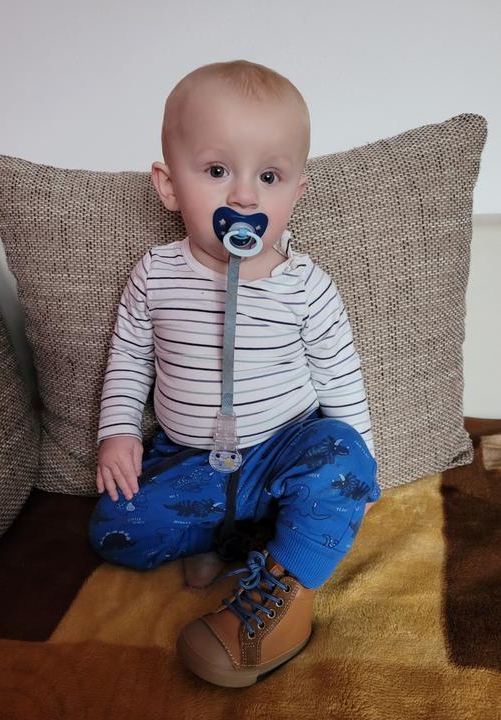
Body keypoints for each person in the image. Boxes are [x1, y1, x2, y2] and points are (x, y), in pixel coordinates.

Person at [88, 59, 382, 688]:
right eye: (218, 171)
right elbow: (130, 358)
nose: (244, 196)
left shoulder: (305, 287)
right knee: (114, 530)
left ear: (295, 193)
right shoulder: (155, 274)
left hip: (279, 456)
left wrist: (357, 466)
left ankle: (284, 583)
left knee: (340, 457)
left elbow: (340, 377)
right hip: (190, 462)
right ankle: (231, 539)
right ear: (169, 186)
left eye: (269, 176)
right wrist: (118, 432)